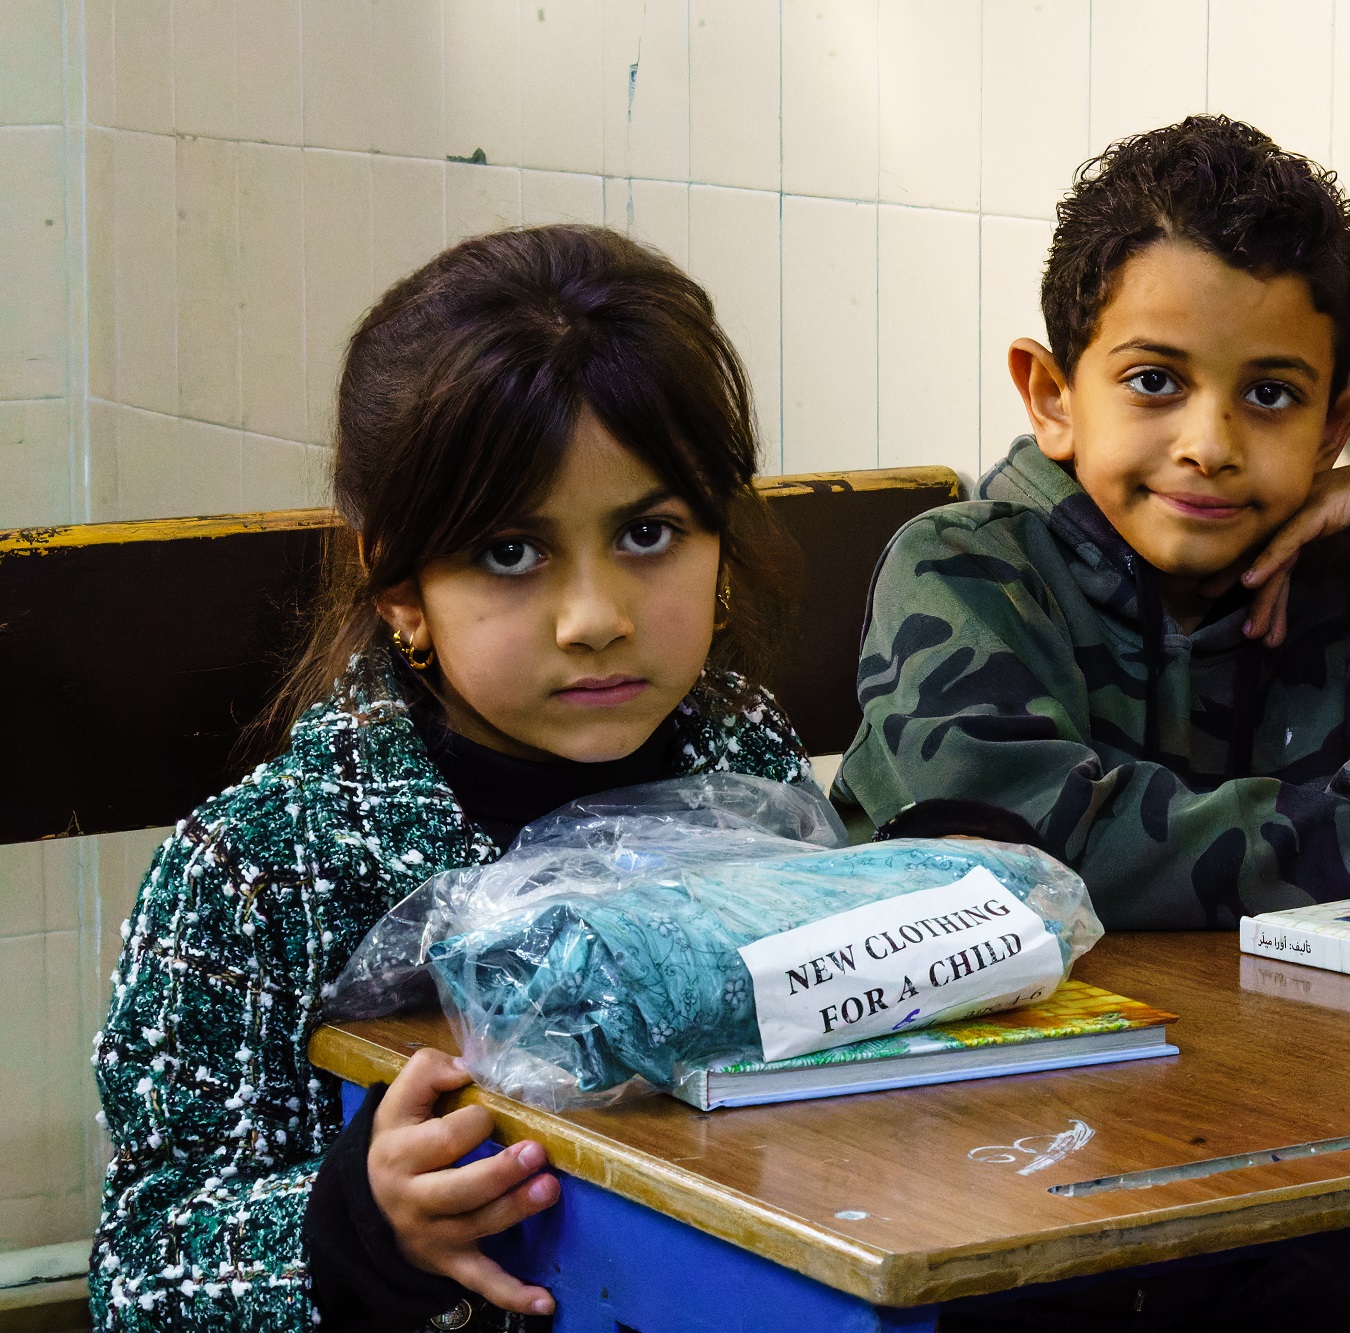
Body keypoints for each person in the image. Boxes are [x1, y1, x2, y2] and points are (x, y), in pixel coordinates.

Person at [90, 225, 813, 1332]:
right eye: (511, 553)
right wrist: (358, 1230)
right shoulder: (259, 872)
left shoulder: (751, 766)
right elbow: (137, 1281)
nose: (595, 619)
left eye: (650, 531)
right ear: (398, 585)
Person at [835, 115, 1350, 932]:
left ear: (1335, 429)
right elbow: (1017, 854)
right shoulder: (964, 569)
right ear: (1053, 398)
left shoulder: (1343, 595)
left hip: (1266, 1057)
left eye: (1270, 395)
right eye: (1154, 380)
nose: (1210, 446)